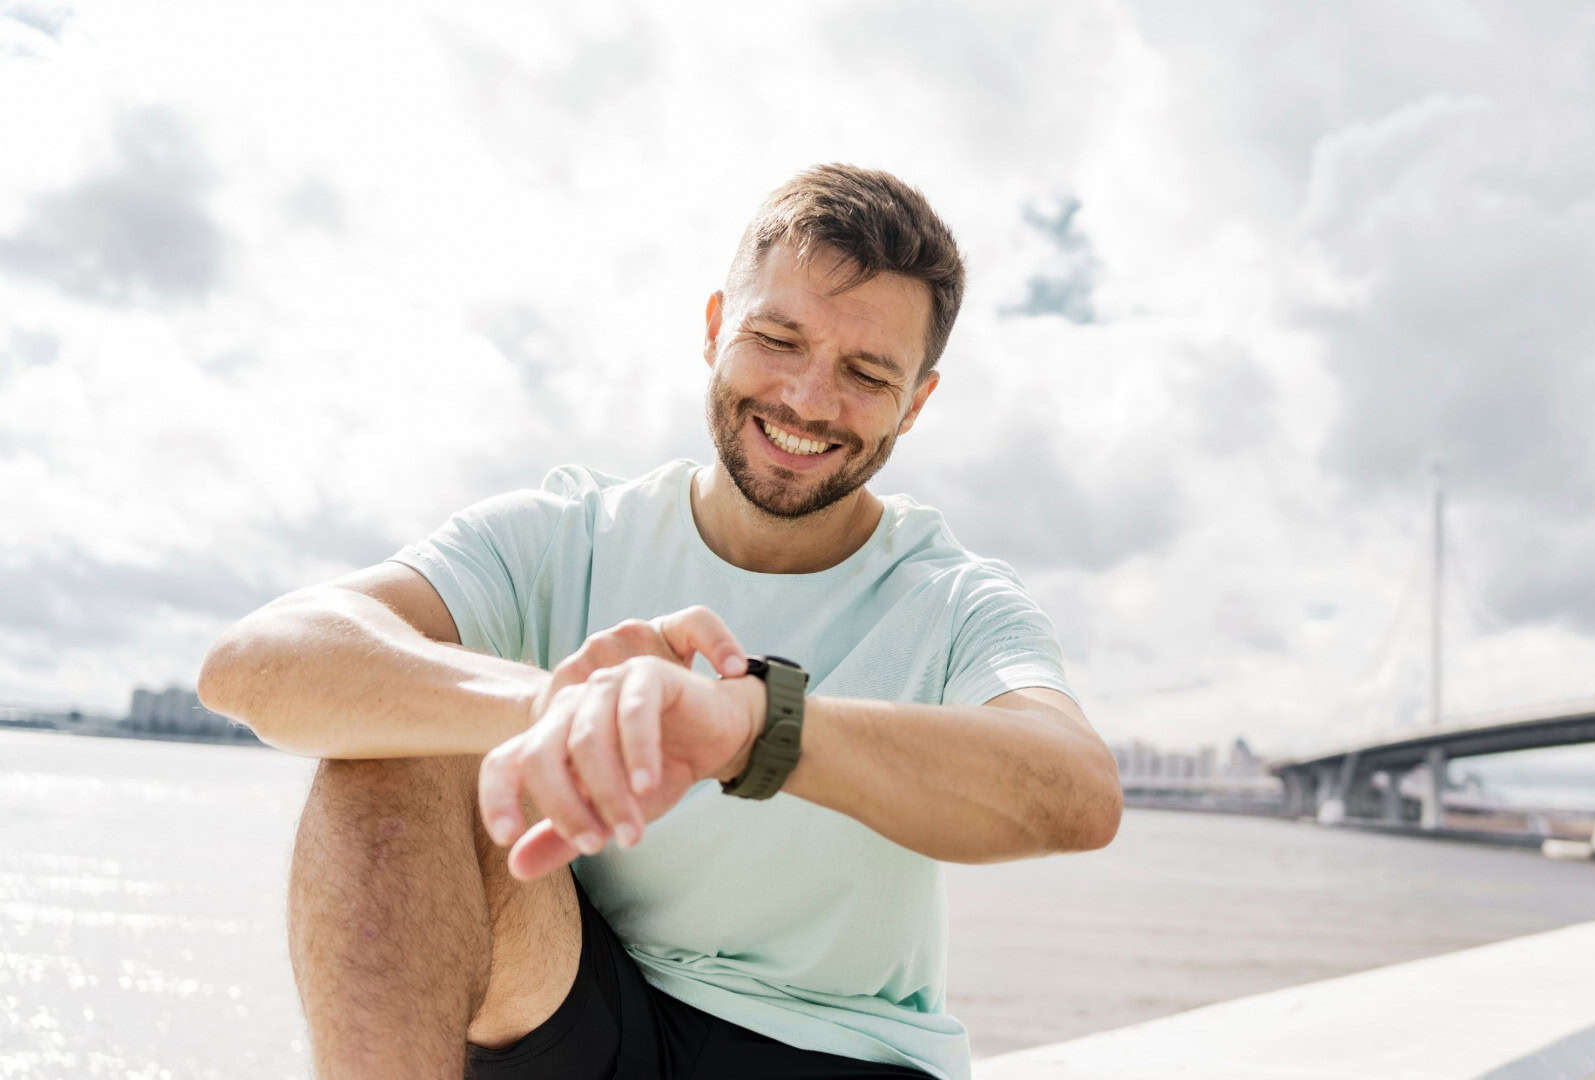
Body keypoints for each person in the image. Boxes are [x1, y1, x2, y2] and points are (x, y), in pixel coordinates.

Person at [197, 163, 1123, 1080]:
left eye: (866, 373)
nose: (807, 399)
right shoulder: (568, 535)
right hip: (578, 1003)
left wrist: (750, 727)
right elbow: (256, 660)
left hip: (838, 1048)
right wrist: (561, 704)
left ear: (915, 403)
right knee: (395, 734)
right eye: (778, 339)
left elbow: (1076, 790)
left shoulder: (953, 597)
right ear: (718, 326)